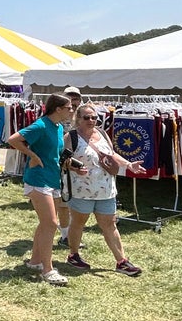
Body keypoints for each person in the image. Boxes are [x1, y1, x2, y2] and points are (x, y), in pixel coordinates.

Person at [62, 103, 145, 276]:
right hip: (81, 190)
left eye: (94, 117)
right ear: (78, 119)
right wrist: (75, 168)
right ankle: (73, 254)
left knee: (109, 223)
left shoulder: (101, 133)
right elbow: (62, 160)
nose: (91, 121)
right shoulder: (71, 137)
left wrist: (129, 165)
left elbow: (111, 155)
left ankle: (121, 261)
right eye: (86, 117)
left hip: (106, 189)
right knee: (79, 222)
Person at [6, 93, 76, 286]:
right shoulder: (41, 124)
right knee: (51, 223)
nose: (72, 110)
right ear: (58, 109)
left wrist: (72, 165)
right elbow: (13, 139)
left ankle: (35, 262)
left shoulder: (58, 126)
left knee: (45, 223)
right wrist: (33, 156)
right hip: (38, 179)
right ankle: (48, 269)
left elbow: (55, 153)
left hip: (52, 179)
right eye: (69, 107)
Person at [55, 86, 84, 246]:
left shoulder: (84, 116)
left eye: (76, 98)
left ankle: (74, 234)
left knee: (78, 203)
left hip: (81, 166)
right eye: (70, 98)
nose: (73, 102)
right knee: (64, 203)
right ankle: (65, 235)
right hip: (63, 165)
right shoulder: (59, 117)